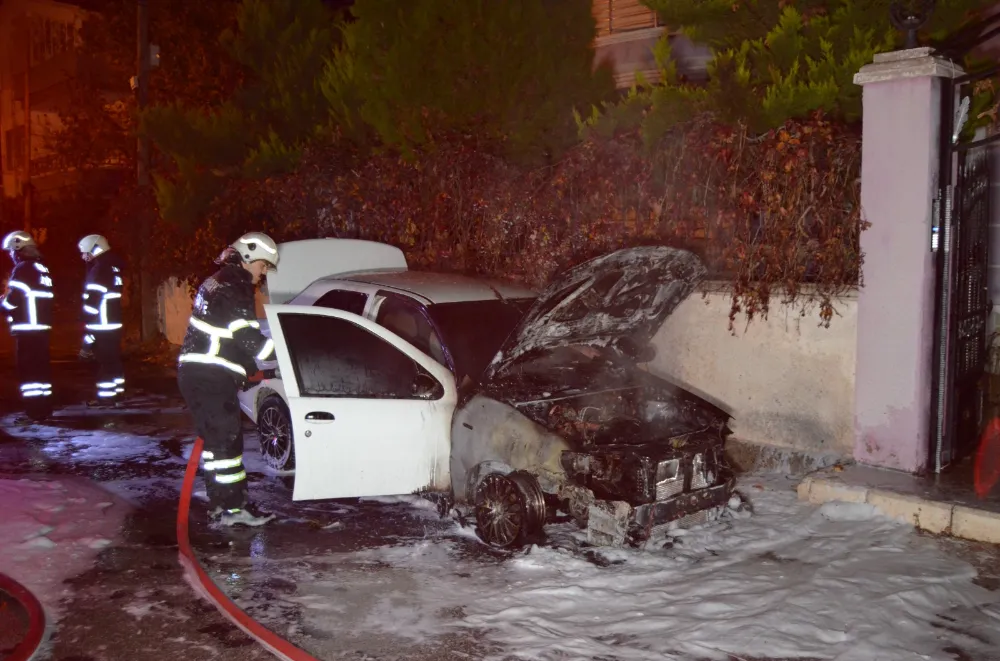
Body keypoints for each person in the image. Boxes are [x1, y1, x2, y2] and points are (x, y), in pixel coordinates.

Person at [177, 232, 279, 527]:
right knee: (226, 446)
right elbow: (246, 336)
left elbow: (228, 335)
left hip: (199, 372)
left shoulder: (219, 279)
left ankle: (221, 506)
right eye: (263, 265)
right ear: (248, 256)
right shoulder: (236, 283)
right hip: (209, 374)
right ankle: (234, 510)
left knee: (216, 447)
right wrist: (280, 354)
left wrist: (246, 370)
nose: (262, 274)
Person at [1, 230, 54, 421]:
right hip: (41, 328)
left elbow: (13, 300)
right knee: (41, 370)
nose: (11, 256)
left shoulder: (22, 269)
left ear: (18, 249)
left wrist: (2, 304)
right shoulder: (42, 268)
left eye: (11, 252)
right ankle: (44, 409)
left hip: (27, 329)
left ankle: (33, 412)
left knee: (29, 371)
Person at [78, 234, 125, 405]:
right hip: (113, 323)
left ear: (95, 248)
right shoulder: (113, 267)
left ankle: (106, 398)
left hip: (101, 324)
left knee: (104, 362)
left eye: (85, 253)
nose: (84, 257)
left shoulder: (99, 270)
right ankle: (117, 393)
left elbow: (93, 301)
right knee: (113, 361)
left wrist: (85, 320)